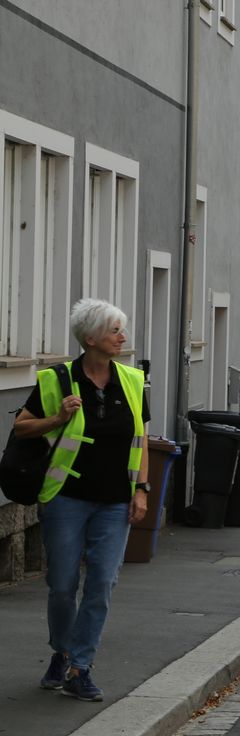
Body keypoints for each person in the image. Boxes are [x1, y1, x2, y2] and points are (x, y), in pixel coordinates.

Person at [15, 299, 149, 701]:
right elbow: (22, 428)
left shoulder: (132, 380)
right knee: (62, 584)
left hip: (115, 502)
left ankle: (80, 667)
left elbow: (141, 438)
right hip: (66, 500)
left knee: (102, 584)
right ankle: (62, 651)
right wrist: (57, 418)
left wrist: (142, 489)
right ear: (90, 338)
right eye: (114, 331)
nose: (122, 337)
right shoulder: (56, 379)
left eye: (121, 330)